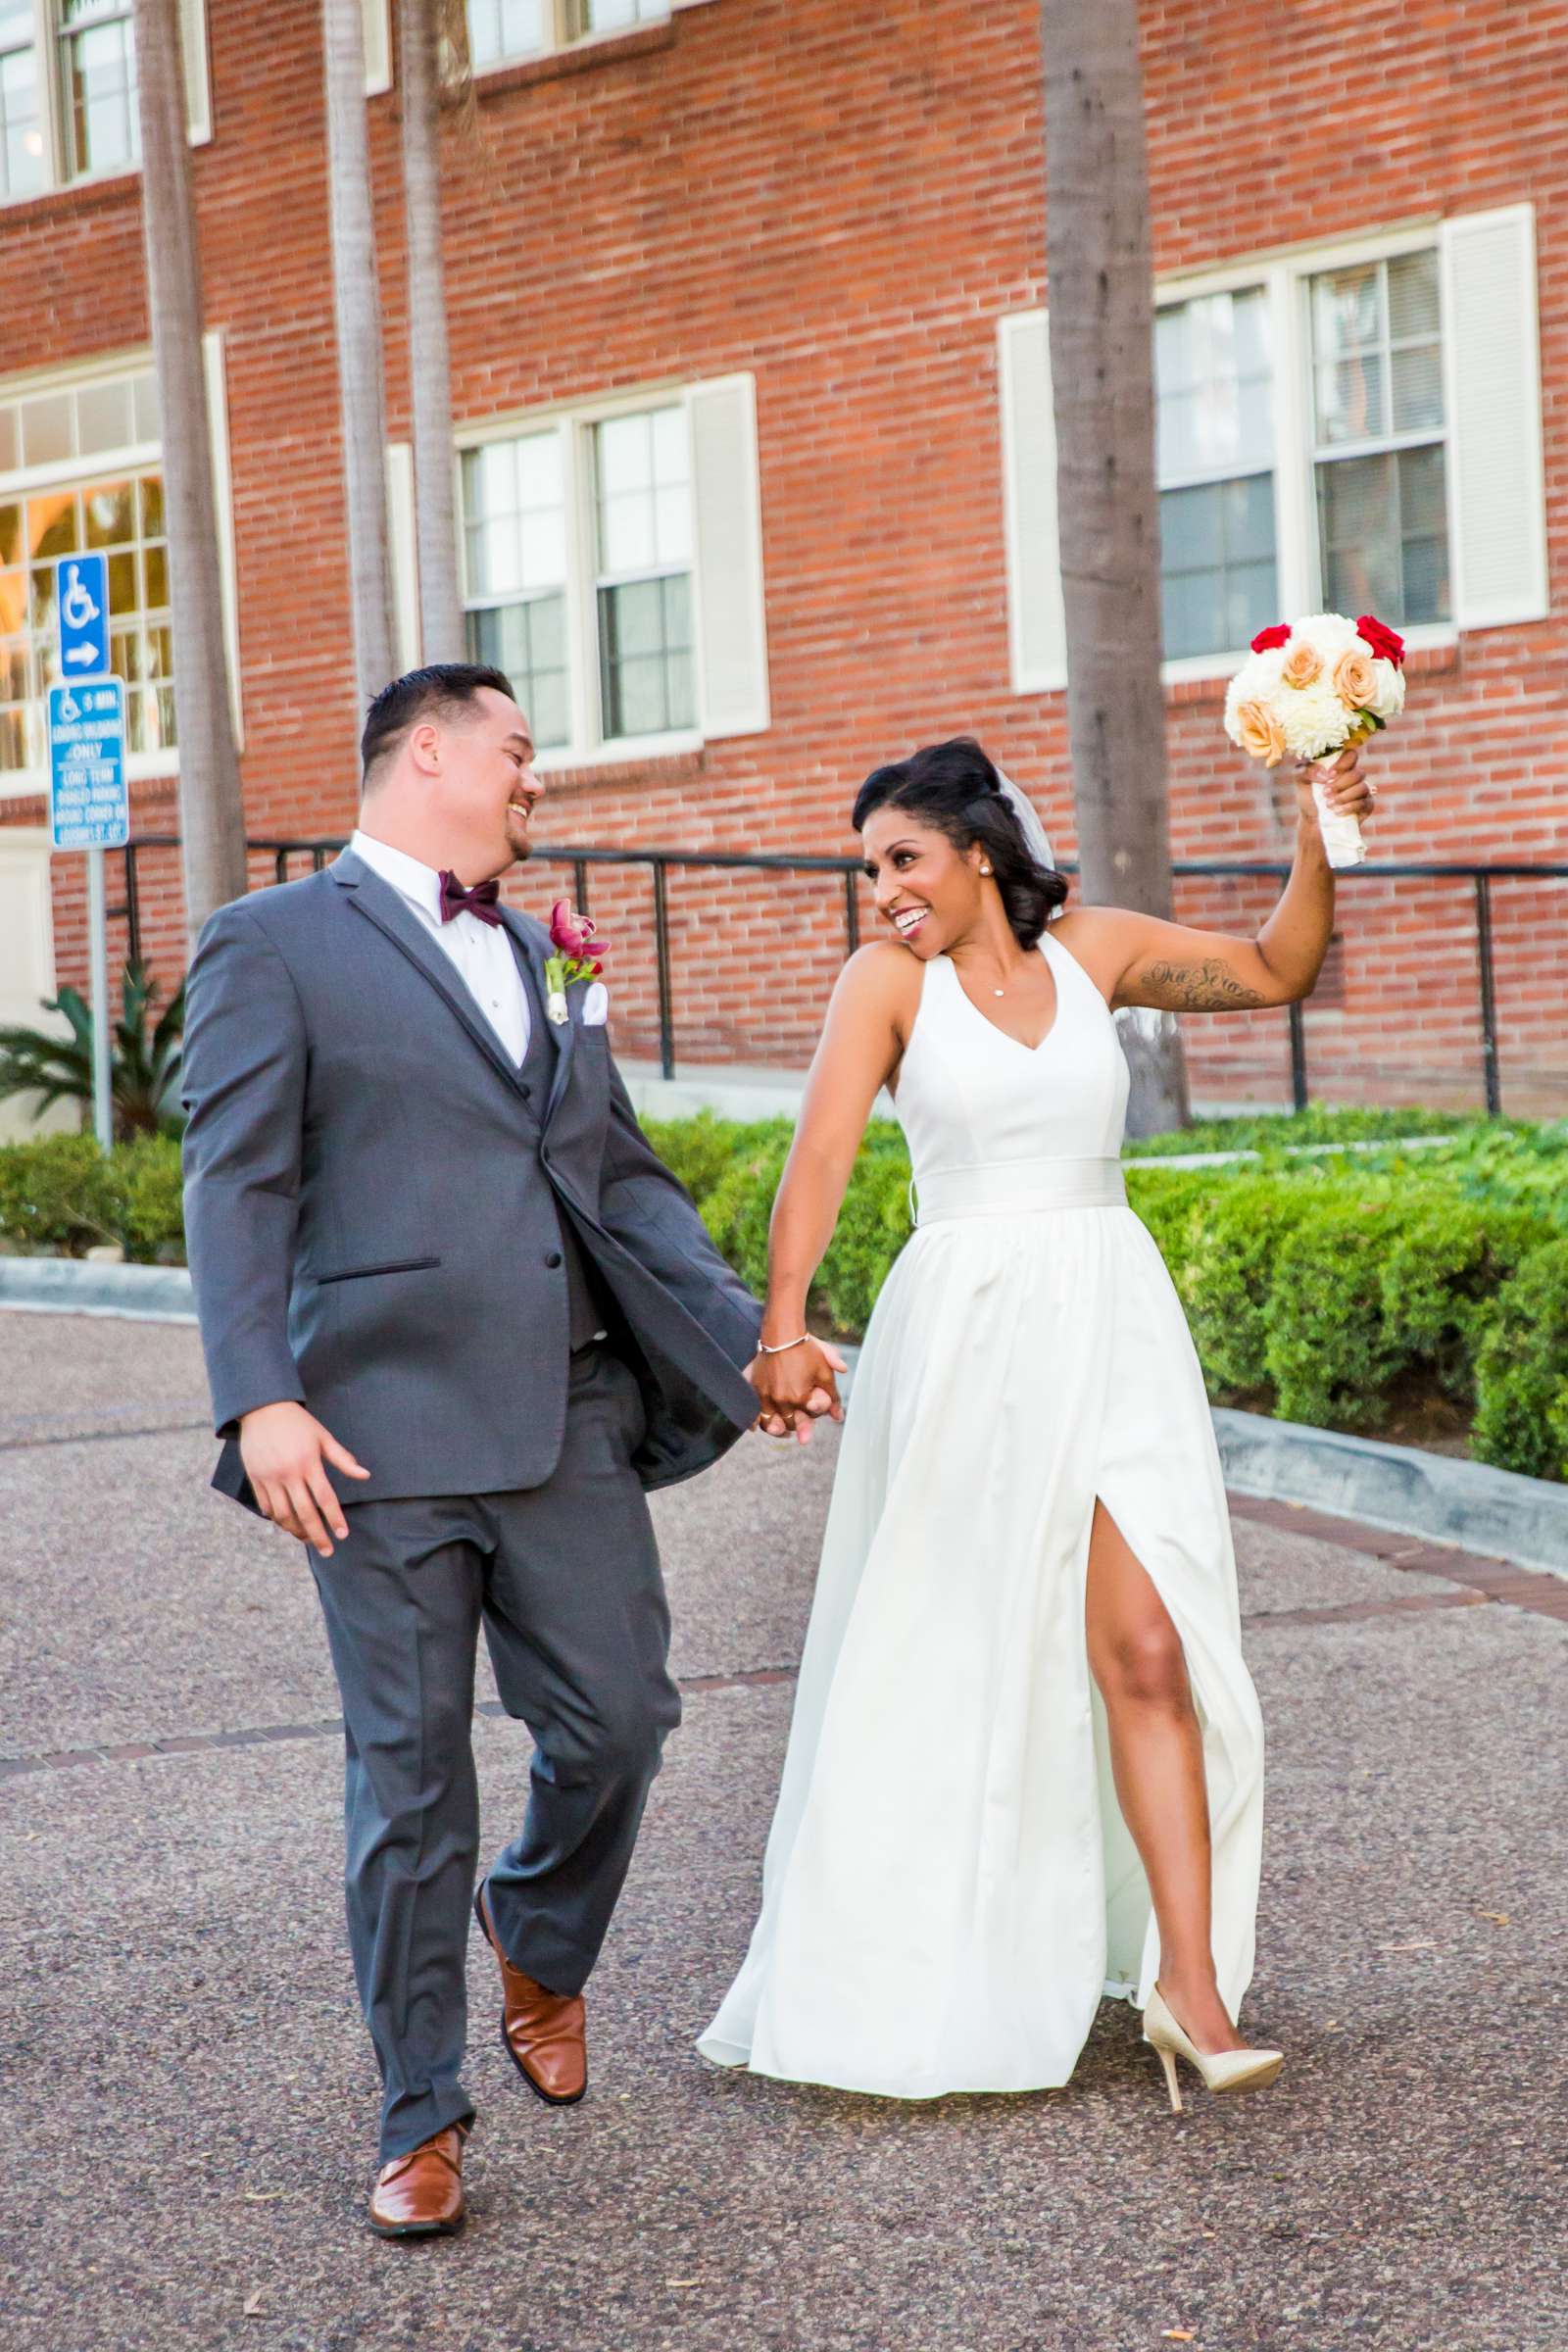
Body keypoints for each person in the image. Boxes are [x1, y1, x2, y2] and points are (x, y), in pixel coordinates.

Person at [181, 664, 819, 2237]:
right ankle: (420, 2113)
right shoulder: (274, 944)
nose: (539, 777)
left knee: (621, 1719)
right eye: (519, 749)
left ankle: (537, 1925)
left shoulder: (545, 950)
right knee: (409, 1783)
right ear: (427, 753)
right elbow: (236, 1181)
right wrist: (257, 1395)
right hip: (370, 1440)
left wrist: (751, 1334)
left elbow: (616, 1174)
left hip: (566, 1414)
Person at [701, 733, 1376, 2112]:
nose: (883, 888)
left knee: (1147, 1640)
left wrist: (1318, 832)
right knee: (952, 1654)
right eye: (869, 867)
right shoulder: (887, 983)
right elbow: (820, 1155)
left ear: (980, 850)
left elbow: (1273, 969)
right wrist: (781, 1329)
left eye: (904, 859)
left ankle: (1190, 1987)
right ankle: (927, 1959)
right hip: (964, 1336)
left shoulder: (1097, 950)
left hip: (1110, 1315)